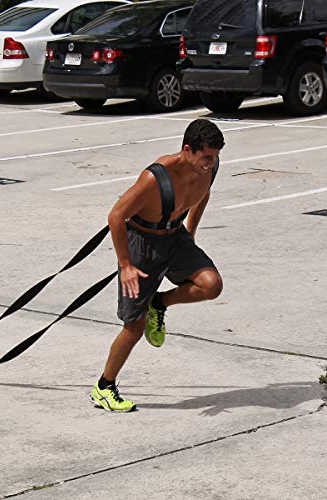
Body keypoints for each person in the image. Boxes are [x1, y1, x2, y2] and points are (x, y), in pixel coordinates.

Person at [90, 119, 225, 412]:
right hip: (143, 244)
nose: (211, 163)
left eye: (214, 157)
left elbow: (203, 194)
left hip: (175, 237)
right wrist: (125, 264)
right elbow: (116, 216)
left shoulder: (209, 168)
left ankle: (159, 303)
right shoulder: (156, 177)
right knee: (134, 327)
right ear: (187, 150)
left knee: (211, 285)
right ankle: (104, 387)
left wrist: (191, 231)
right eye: (206, 157)